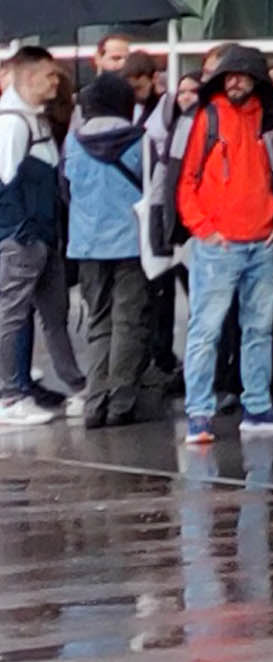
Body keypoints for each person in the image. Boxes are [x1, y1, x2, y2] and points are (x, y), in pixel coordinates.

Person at [167, 47, 273, 444]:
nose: (235, 81)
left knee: (254, 329)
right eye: (229, 75)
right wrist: (203, 228)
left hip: (257, 239)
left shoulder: (266, 119)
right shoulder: (205, 118)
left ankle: (252, 405)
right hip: (221, 242)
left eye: (242, 75)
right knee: (210, 330)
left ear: (256, 79)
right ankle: (201, 412)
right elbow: (183, 181)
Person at [64, 71, 156, 428]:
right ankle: (121, 402)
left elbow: (66, 189)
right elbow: (153, 189)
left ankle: (94, 401)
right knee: (128, 321)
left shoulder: (73, 142)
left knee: (98, 320)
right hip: (131, 244)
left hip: (86, 244)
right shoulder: (140, 141)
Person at [0, 50, 74, 421]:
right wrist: (20, 232)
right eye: (49, 76)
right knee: (13, 313)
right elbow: (4, 183)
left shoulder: (33, 119)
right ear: (28, 78)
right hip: (24, 235)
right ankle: (10, 395)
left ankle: (69, 384)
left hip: (41, 233)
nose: (55, 82)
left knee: (53, 311)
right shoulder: (13, 123)